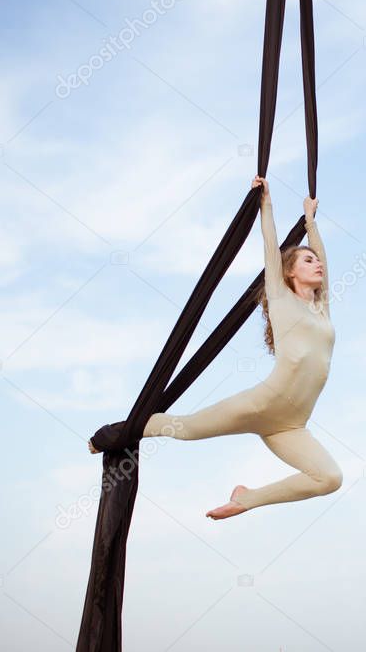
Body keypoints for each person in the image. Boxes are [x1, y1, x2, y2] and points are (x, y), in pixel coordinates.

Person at [88, 175, 341, 520]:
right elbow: (270, 250)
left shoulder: (321, 307)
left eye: (318, 260)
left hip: (292, 426)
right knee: (186, 428)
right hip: (260, 404)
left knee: (329, 478)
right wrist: (266, 204)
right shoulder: (282, 300)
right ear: (290, 274)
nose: (319, 264)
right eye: (308, 261)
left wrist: (311, 220)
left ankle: (247, 498)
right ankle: (111, 434)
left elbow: (324, 256)